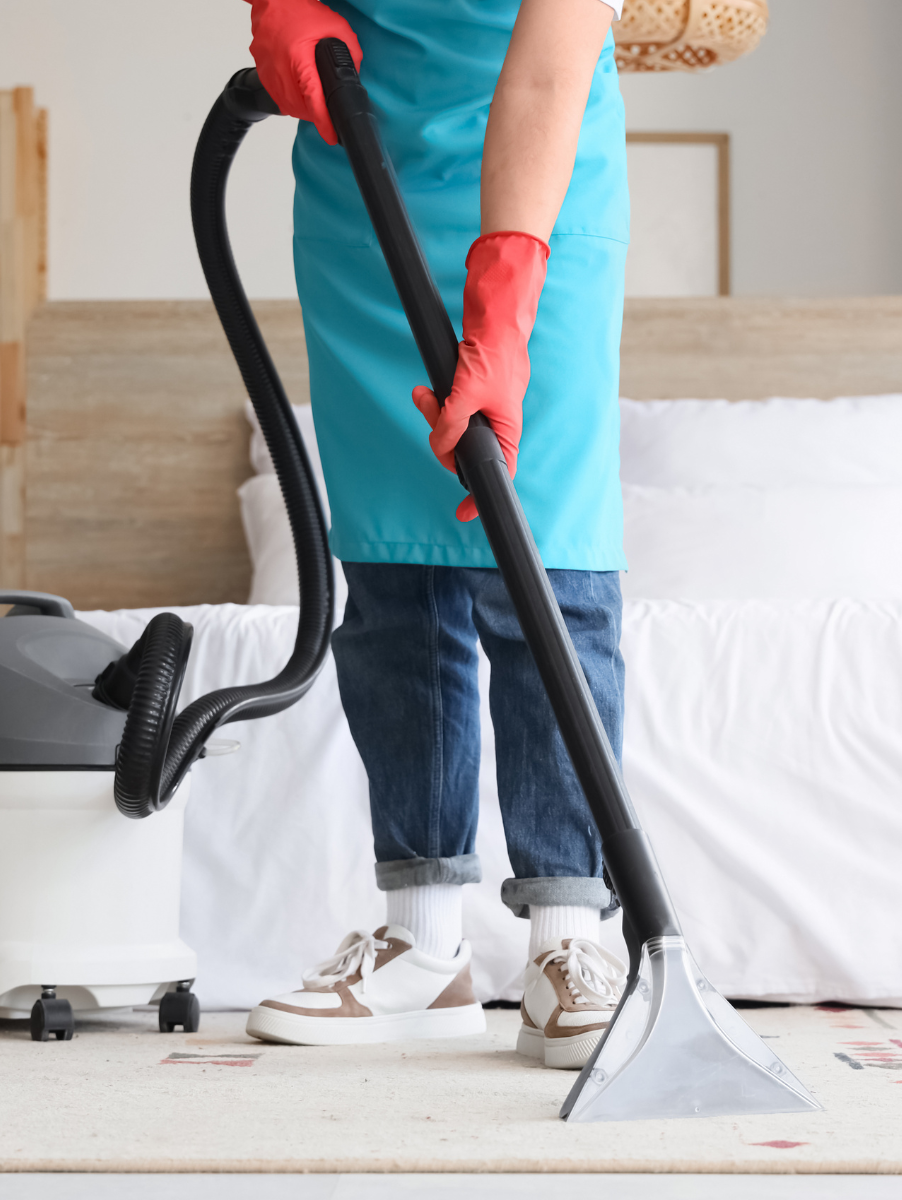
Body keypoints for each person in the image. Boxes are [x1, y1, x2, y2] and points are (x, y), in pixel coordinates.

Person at [239, 0, 631, 1070]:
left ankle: (569, 945)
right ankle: (422, 944)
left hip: (547, 194)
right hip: (363, 181)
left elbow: (548, 72)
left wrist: (501, 313)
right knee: (391, 562)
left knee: (547, 557)